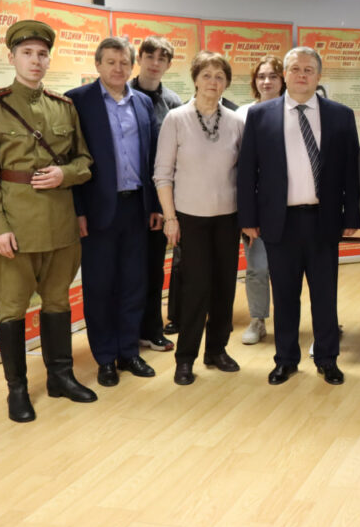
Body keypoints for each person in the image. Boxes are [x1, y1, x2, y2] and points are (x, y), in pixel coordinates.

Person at [0, 20, 97, 422]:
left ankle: (61, 377)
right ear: (12, 57)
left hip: (59, 224)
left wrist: (65, 174)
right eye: (27, 53)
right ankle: (17, 390)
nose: (35, 61)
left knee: (58, 302)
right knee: (13, 308)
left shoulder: (63, 107)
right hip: (15, 228)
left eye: (42, 54)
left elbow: (84, 161)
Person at [238, 47, 360, 386]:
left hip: (324, 219)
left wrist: (352, 215)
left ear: (319, 76)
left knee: (325, 296)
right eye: (295, 69)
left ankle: (327, 359)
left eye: (308, 69)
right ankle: (286, 360)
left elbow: (352, 170)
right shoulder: (261, 116)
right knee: (285, 295)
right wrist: (248, 217)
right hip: (280, 221)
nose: (301, 75)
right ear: (285, 75)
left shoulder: (340, 115)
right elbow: (247, 171)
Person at [68, 37, 161, 387]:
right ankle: (105, 358)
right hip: (97, 211)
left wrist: (154, 205)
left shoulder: (142, 102)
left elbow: (151, 157)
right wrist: (78, 210)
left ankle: (129, 351)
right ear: (98, 65)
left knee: (134, 283)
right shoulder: (78, 101)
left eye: (124, 62)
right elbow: (70, 159)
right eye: (111, 62)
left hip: (136, 206)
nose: (118, 69)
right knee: (100, 286)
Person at [153, 51, 244, 385]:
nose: (213, 82)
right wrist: (170, 218)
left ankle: (216, 350)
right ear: (195, 79)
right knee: (195, 289)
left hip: (228, 218)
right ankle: (185, 358)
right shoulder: (176, 119)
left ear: (227, 83)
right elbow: (162, 174)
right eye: (206, 75)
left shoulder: (236, 121)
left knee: (224, 287)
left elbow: (245, 173)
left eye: (220, 76)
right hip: (190, 218)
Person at [129, 35, 182, 353]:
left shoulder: (173, 102)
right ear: (139, 58)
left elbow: (175, 157)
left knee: (152, 268)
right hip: (125, 199)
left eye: (162, 58)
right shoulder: (122, 93)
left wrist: (166, 206)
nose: (155, 63)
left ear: (168, 65)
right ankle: (127, 332)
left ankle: (151, 329)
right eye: (150, 56)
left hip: (158, 201)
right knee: (126, 271)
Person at [238, 55, 285, 345]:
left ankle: (287, 320)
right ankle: (258, 319)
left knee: (287, 270)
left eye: (273, 76)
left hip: (287, 206)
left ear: (283, 81)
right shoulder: (243, 114)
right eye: (261, 76)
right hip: (256, 206)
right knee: (257, 267)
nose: (266, 81)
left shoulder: (293, 111)